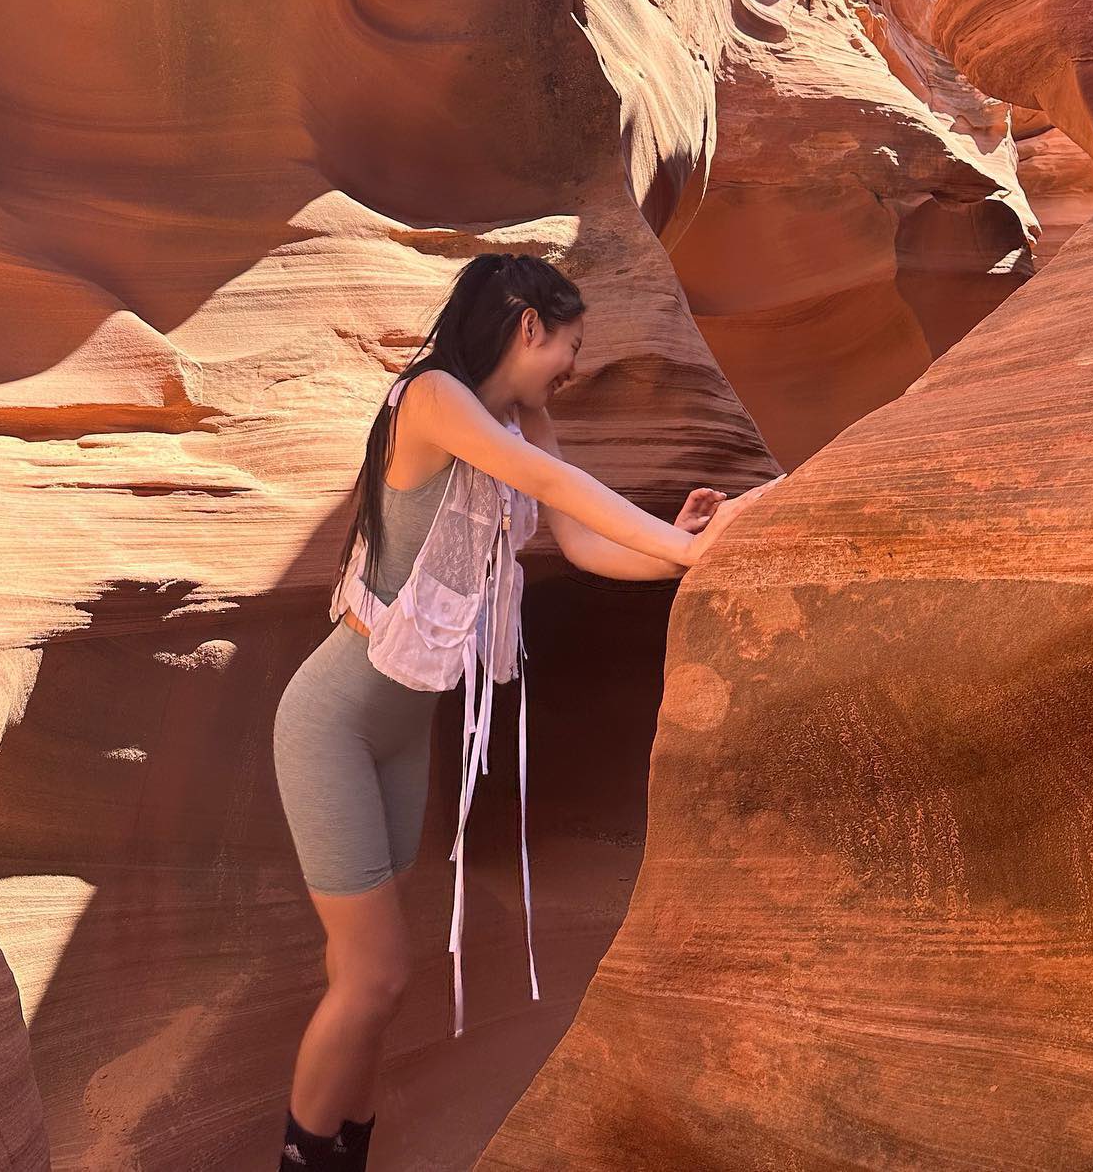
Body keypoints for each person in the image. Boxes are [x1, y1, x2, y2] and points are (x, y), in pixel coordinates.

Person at [271, 253, 783, 1169]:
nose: (571, 372)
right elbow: (549, 487)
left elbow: (581, 541)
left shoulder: (520, 415)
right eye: (570, 349)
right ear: (527, 326)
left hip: (398, 734)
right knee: (376, 973)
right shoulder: (431, 398)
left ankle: (343, 1149)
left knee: (366, 981)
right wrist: (680, 547)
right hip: (333, 723)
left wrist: (681, 552)